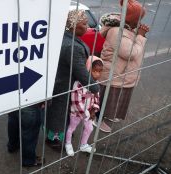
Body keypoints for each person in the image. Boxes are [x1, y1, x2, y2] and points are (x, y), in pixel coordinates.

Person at [46, 9, 100, 151]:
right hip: (65, 85)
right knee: (59, 114)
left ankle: (59, 135)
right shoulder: (73, 46)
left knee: (59, 113)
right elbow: (81, 72)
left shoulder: (66, 37)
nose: (87, 27)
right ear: (73, 26)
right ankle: (54, 140)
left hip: (61, 82)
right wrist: (95, 88)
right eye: (84, 24)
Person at [95, 0, 150, 132]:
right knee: (108, 99)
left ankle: (108, 115)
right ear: (132, 19)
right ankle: (97, 118)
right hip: (115, 74)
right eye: (139, 19)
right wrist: (141, 36)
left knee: (116, 99)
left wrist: (137, 34)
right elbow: (130, 53)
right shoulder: (116, 31)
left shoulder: (127, 28)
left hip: (121, 74)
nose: (140, 22)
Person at [65, 56, 103, 156]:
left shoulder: (96, 84)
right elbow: (76, 101)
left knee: (89, 128)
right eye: (95, 71)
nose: (97, 74)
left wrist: (94, 110)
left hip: (89, 111)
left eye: (100, 71)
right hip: (77, 112)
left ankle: (83, 144)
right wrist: (85, 113)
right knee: (72, 128)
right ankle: (68, 144)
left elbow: (96, 98)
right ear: (88, 69)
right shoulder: (78, 84)